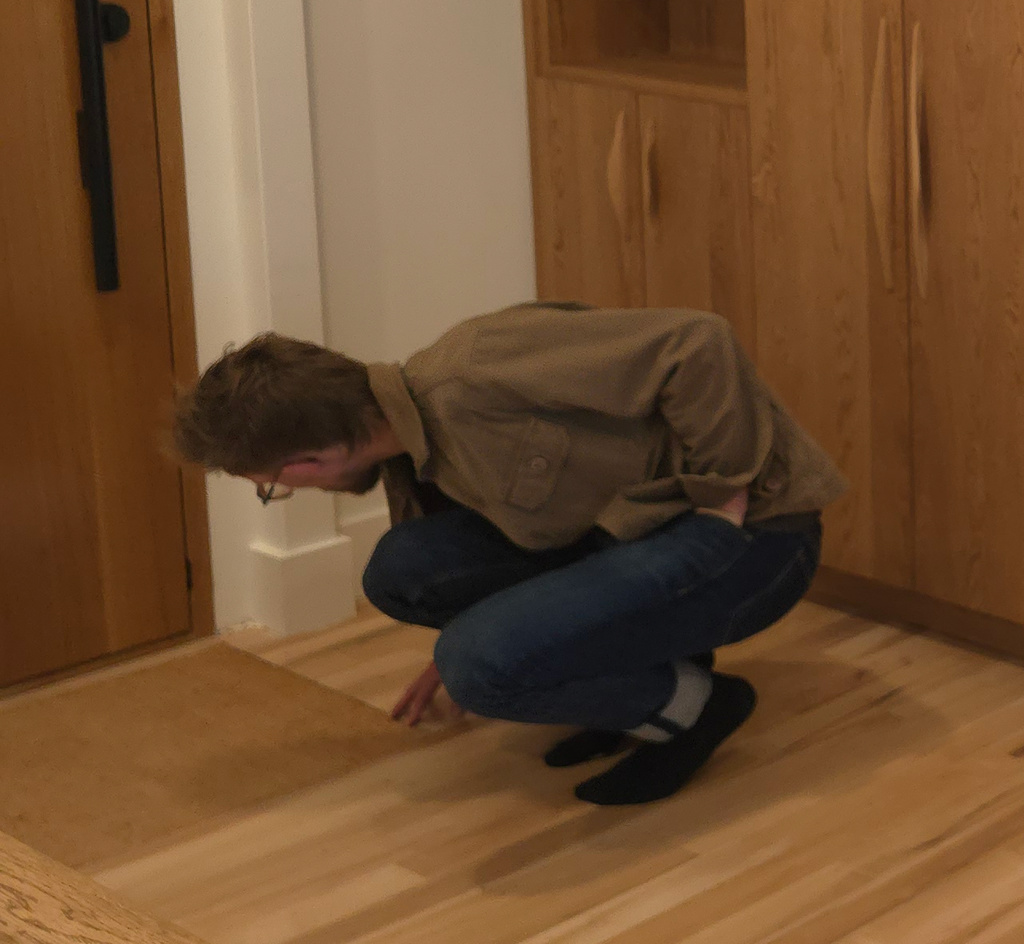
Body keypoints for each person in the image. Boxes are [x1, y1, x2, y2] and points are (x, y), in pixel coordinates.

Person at [170, 302, 844, 805]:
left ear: (315, 457)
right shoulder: (414, 458)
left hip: (757, 540)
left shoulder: (476, 371)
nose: (286, 491)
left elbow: (697, 341)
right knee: (402, 572)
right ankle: (636, 688)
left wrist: (722, 487)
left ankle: (696, 705)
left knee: (478, 667)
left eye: (275, 486)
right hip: (640, 536)